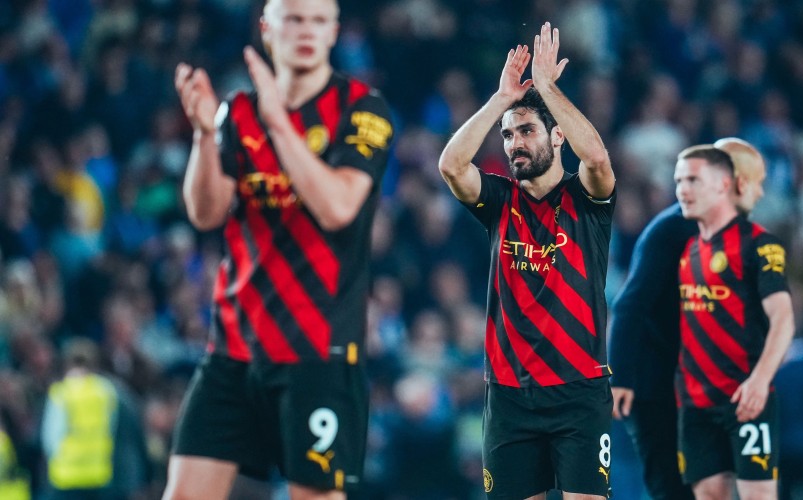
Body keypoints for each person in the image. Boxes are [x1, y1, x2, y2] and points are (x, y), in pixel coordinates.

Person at [167, 0, 393, 497]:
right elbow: (205, 213)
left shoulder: (362, 109)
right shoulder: (238, 112)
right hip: (234, 345)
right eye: (294, 19)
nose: (306, 31)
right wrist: (204, 134)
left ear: (334, 32)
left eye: (318, 21)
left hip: (318, 350)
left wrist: (276, 122)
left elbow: (338, 207)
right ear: (267, 29)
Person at [438, 23, 616, 500]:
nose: (515, 142)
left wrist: (547, 88)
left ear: (557, 137)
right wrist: (502, 100)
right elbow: (452, 166)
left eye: (527, 130)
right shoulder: (499, 201)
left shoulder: (586, 200)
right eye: (508, 134)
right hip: (509, 395)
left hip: (579, 391)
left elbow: (598, 160)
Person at [608, 138, 767, 500]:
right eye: (752, 181)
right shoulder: (673, 229)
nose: (758, 192)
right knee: (674, 489)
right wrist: (621, 378)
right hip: (658, 387)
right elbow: (630, 305)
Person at [672, 146, 794, 500]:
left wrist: (760, 380)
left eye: (693, 180)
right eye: (679, 181)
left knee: (758, 495)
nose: (682, 190)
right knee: (709, 494)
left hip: (745, 397)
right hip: (694, 402)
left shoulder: (759, 244)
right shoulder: (688, 251)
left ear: (724, 184)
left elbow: (783, 318)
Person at [40, 337, 148, 500]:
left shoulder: (62, 393)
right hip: (100, 474)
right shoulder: (107, 391)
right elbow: (119, 430)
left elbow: (51, 438)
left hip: (66, 476)